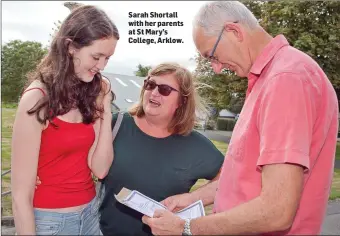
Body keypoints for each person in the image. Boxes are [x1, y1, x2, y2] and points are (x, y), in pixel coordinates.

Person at [142, 1, 339, 235]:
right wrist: (193, 198)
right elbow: (245, 181)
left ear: (234, 32)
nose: (215, 68)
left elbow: (277, 211)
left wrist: (185, 227)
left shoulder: (285, 79)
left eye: (212, 55)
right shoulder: (268, 78)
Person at [11, 5, 119, 235]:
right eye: (96, 56)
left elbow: (100, 169)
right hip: (50, 222)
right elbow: (21, 196)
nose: (101, 66)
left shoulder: (90, 94)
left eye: (107, 58)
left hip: (90, 215)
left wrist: (106, 108)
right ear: (70, 47)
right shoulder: (36, 99)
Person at [99, 62, 225, 236]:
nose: (154, 92)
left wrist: (193, 199)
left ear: (182, 101)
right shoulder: (115, 125)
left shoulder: (195, 144)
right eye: (150, 85)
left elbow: (228, 178)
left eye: (164, 89)